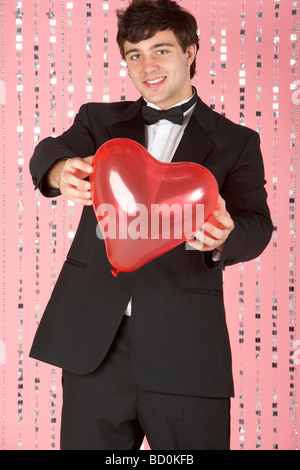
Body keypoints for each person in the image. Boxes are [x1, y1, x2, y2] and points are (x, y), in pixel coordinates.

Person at [29, 0, 273, 450]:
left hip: (187, 347)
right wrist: (59, 170)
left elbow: (257, 223)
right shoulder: (98, 121)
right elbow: (49, 151)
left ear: (191, 52)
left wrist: (225, 237)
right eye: (134, 54)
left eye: (161, 50)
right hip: (94, 344)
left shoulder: (237, 142)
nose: (147, 66)